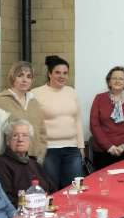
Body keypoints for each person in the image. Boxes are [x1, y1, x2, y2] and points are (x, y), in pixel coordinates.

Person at [32, 55, 85, 189]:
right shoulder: (36, 93)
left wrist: (81, 146)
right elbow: (34, 123)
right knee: (52, 188)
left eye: (65, 73)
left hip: (72, 149)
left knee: (74, 188)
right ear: (49, 74)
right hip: (49, 150)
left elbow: (77, 120)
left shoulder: (72, 92)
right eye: (57, 72)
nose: (62, 76)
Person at [0, 119, 55, 206]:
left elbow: (52, 189)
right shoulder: (0, 164)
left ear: (30, 141)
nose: (20, 139)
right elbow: (5, 200)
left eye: (25, 135)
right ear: (8, 141)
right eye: (15, 136)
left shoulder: (34, 163)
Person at [0, 61, 48, 160]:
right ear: (13, 77)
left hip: (34, 159)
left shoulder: (34, 102)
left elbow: (42, 132)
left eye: (28, 76)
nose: (24, 80)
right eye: (20, 75)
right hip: (10, 159)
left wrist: (41, 154)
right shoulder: (0, 101)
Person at [89, 65, 124, 170]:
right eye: (114, 78)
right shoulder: (99, 98)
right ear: (109, 82)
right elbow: (94, 125)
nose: (117, 81)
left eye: (121, 78)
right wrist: (109, 147)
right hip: (102, 151)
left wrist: (123, 146)